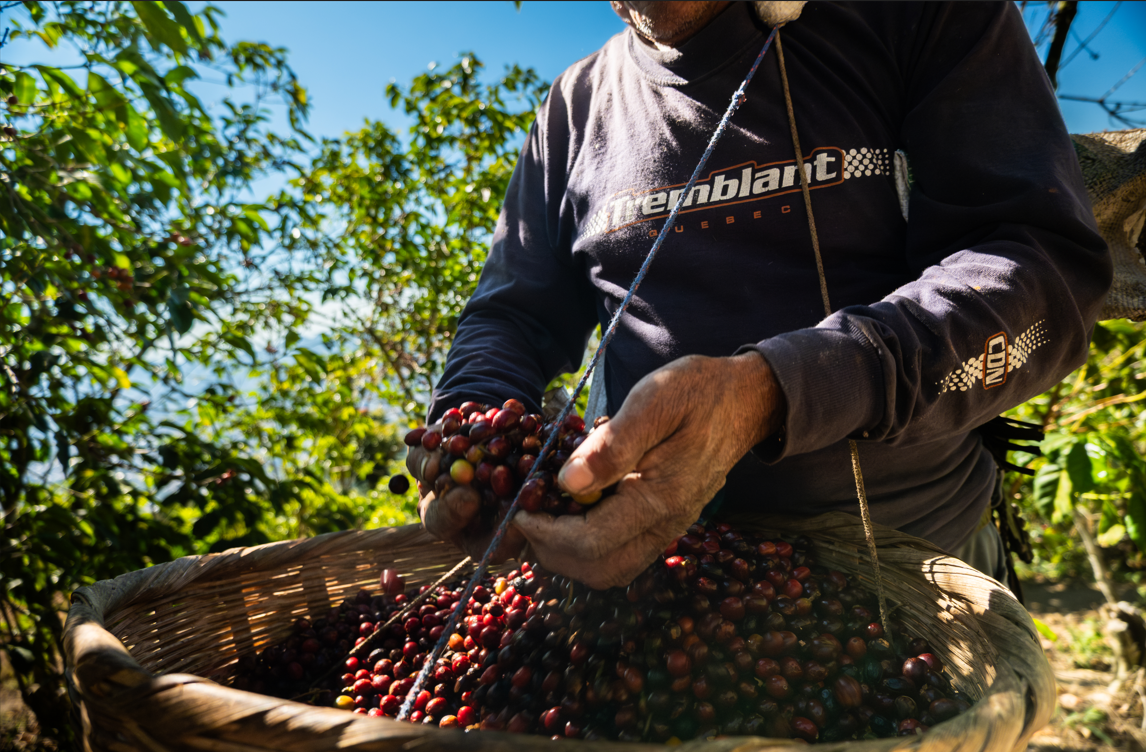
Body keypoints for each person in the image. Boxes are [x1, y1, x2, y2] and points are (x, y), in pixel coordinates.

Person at [406, 1, 1112, 590]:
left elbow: (1046, 274)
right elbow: (507, 318)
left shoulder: (920, 14)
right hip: (655, 587)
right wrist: (469, 431)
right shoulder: (573, 108)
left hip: (914, 576)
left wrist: (768, 393)